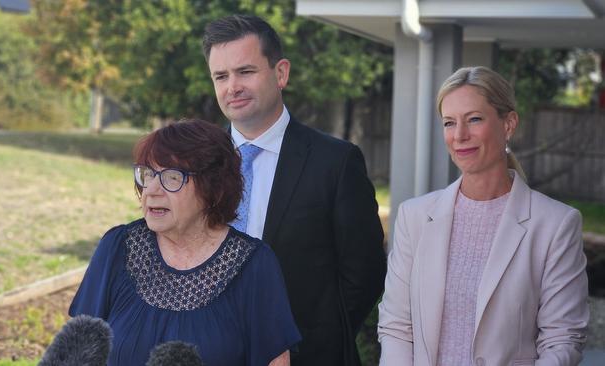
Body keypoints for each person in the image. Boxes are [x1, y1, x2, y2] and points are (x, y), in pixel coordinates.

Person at [202, 14, 386, 366]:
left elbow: (365, 272)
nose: (232, 87)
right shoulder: (197, 165)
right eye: (221, 76)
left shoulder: (335, 162)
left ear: (281, 73)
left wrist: (307, 341)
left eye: (245, 72)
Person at [377, 66, 589, 365]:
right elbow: (396, 327)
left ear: (509, 124)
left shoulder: (555, 224)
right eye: (449, 123)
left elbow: (563, 339)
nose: (460, 135)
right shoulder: (415, 217)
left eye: (474, 119)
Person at [69, 119, 301, 366]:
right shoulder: (117, 247)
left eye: (171, 177)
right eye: (147, 174)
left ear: (213, 188)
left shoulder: (254, 264)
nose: (151, 190)